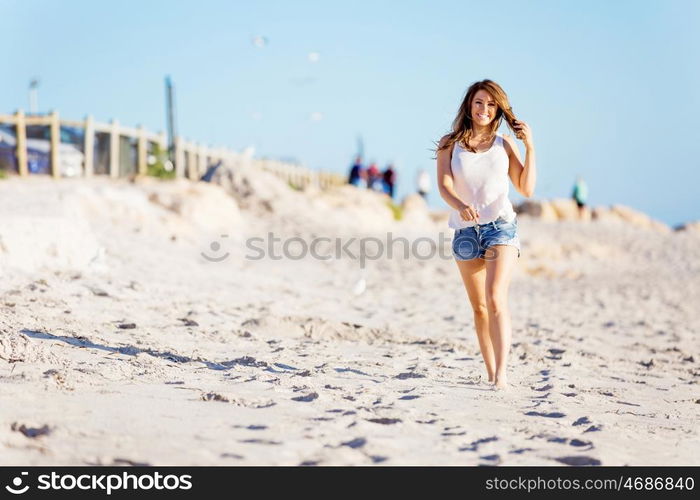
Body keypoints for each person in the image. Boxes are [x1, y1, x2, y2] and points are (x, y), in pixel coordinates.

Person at [435, 79, 536, 390]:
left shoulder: (505, 144)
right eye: (479, 102)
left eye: (492, 105)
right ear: (469, 104)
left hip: (500, 227)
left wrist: (529, 145)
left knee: (495, 298)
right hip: (465, 231)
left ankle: (502, 376)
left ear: (498, 111)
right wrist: (460, 205)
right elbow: (444, 186)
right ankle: (491, 372)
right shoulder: (449, 143)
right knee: (479, 307)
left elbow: (526, 188)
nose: (484, 109)